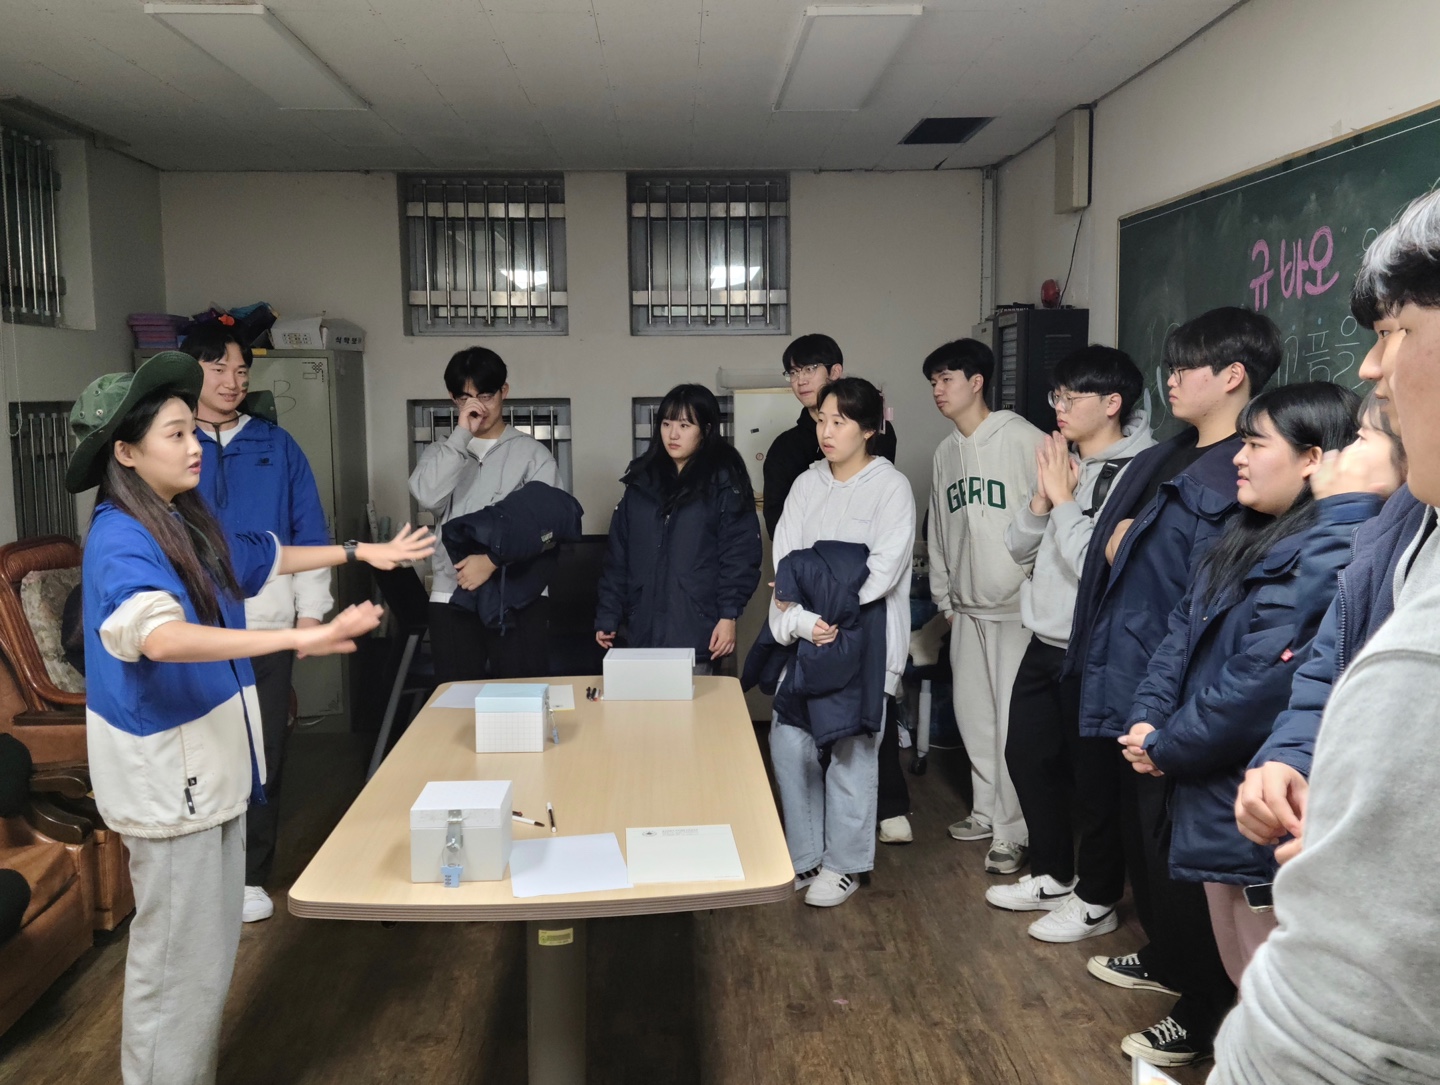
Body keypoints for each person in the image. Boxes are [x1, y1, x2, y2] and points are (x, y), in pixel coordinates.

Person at [66, 352, 433, 1085]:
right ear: (126, 453)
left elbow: (265, 555)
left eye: (192, 430)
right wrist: (296, 639)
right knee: (177, 969)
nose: (194, 445)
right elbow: (161, 637)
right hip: (171, 783)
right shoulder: (121, 537)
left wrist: (364, 550)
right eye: (175, 434)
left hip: (209, 775)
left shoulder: (181, 520)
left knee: (203, 961)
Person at [1212, 189, 1440, 1084]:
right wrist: (1306, 768)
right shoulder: (1413, 524)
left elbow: (1342, 1020)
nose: (1373, 368)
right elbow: (1323, 670)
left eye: (1396, 331)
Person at [1063, 306, 1282, 1067]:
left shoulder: (1242, 470)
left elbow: (1206, 603)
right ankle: (1169, 957)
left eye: (1186, 367)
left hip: (1177, 694)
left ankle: (1202, 1007)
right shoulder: (1172, 454)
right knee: (1144, 842)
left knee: (1181, 856)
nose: (1171, 379)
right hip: (1136, 677)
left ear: (1234, 376)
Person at [1119, 384, 1382, 1010]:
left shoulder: (1328, 551)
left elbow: (1259, 685)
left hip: (1251, 795)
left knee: (1268, 988)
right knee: (1238, 966)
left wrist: (1166, 746)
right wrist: (1147, 717)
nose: (1238, 457)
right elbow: (1179, 635)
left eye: (1256, 444)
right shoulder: (1240, 534)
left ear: (1313, 458)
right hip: (1208, 787)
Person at [1233, 305, 1422, 858]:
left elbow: (1311, 623)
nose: (1370, 365)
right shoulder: (1386, 528)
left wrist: (1343, 512)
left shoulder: (1368, 526)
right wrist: (1289, 757)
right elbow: (1326, 659)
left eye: (1362, 439)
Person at [985, 346, 1154, 940]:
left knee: (1095, 781)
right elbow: (1019, 548)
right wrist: (1043, 497)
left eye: (1070, 397)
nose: (1057, 407)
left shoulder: (1142, 473)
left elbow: (1101, 569)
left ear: (1112, 403)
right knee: (1027, 757)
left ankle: (1098, 899)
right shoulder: (1068, 463)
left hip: (1096, 648)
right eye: (1055, 395)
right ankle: (1054, 874)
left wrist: (1062, 501)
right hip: (1044, 637)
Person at [180, 321, 332, 924]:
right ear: (188, 372)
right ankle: (201, 873)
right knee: (198, 752)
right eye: (218, 369)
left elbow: (309, 531)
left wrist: (311, 611)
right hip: (191, 628)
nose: (232, 381)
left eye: (241, 370)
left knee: (262, 750)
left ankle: (249, 875)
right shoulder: (170, 441)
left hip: (266, 623)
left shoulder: (276, 443)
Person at [765, 378, 915, 907]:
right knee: (790, 742)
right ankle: (806, 856)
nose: (826, 431)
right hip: (807, 635)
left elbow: (881, 572)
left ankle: (845, 865)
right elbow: (786, 565)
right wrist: (803, 619)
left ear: (869, 429)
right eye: (821, 420)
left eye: (840, 421)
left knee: (852, 751)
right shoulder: (806, 485)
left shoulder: (890, 487)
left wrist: (816, 594)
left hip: (865, 639)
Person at [924, 337, 1045, 873]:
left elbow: (1054, 516)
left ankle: (1013, 831)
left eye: (946, 379)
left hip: (1018, 610)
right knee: (974, 719)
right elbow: (939, 527)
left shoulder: (1024, 439)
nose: (937, 390)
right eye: (933, 381)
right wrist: (944, 597)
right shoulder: (945, 451)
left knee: (1012, 725)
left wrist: (1035, 589)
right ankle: (985, 811)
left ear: (977, 382)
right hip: (966, 609)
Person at [409, 347, 560, 683]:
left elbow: (548, 528)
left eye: (486, 396)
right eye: (466, 398)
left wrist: (492, 560)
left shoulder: (533, 455)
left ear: (504, 391)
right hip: (452, 594)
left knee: (523, 699)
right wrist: (461, 436)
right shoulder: (440, 452)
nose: (477, 407)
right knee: (455, 701)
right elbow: (428, 496)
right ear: (453, 399)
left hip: (519, 595)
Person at [595, 384, 762, 672]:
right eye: (666, 424)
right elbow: (618, 558)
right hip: (641, 631)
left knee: (694, 701)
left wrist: (728, 616)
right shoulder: (640, 483)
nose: (673, 434)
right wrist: (608, 614)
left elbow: (739, 556)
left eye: (684, 425)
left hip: (696, 631)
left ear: (706, 430)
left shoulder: (723, 481)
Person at [761, 333, 898, 539]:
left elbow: (879, 504)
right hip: (804, 555)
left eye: (809, 369)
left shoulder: (875, 432)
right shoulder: (785, 447)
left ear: (835, 371)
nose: (800, 380)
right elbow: (777, 523)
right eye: (794, 372)